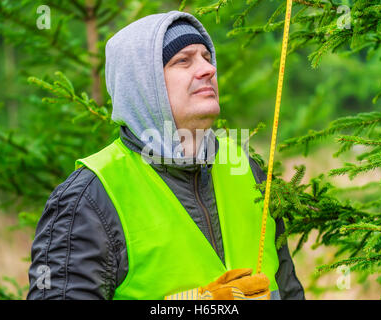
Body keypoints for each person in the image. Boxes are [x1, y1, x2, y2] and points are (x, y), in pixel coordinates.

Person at [27, 10, 304, 300]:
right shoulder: (88, 199)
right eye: (183, 60)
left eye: (207, 58)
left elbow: (287, 290)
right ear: (143, 85)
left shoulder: (246, 169)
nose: (208, 69)